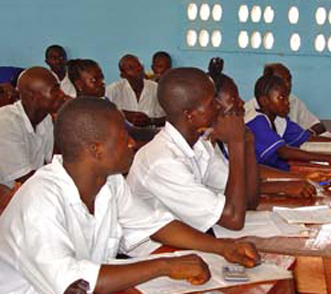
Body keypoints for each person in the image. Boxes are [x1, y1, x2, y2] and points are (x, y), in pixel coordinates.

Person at [0, 97, 259, 294]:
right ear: (96, 150)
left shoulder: (110, 183)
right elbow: (73, 281)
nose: (132, 143)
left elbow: (155, 223)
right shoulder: (41, 200)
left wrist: (224, 247)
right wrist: (165, 266)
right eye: (123, 138)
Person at [127, 67, 257, 253]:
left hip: (190, 237)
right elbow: (234, 219)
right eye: (212, 102)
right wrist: (236, 143)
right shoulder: (163, 161)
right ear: (190, 115)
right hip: (152, 249)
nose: (219, 106)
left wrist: (247, 143)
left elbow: (248, 201)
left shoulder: (199, 145)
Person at [208, 58, 326, 198]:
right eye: (234, 100)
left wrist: (298, 177)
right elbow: (237, 187)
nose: (242, 103)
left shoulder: (279, 119)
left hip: (254, 194)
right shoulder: (254, 121)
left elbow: (249, 170)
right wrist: (289, 183)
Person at [245, 74, 331, 176]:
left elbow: (306, 138)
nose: (287, 102)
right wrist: (329, 158)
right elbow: (283, 152)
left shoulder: (279, 120)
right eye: (281, 98)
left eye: (287, 97)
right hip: (259, 180)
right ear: (264, 101)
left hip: (281, 173)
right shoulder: (256, 122)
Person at [0, 67, 68, 188]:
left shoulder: (45, 118)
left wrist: (60, 122)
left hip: (30, 190)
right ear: (32, 97)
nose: (62, 95)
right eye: (55, 91)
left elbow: (55, 162)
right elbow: (24, 178)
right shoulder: (6, 121)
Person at [244, 63, 326, 135]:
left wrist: (306, 135)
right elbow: (282, 149)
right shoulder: (253, 116)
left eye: (289, 79)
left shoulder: (284, 119)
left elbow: (317, 126)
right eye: (281, 80)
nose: (288, 84)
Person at [106, 54, 165, 127]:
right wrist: (123, 114)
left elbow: (169, 118)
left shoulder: (156, 88)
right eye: (131, 68)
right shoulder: (113, 90)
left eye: (139, 65)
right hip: (123, 136)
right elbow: (102, 113)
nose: (138, 69)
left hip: (152, 135)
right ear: (122, 75)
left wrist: (151, 121)